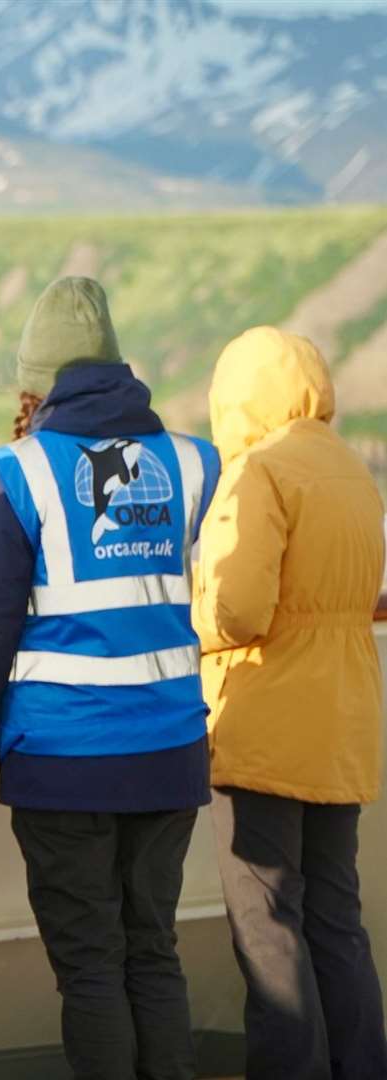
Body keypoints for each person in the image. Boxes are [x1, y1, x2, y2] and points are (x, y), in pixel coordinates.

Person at [0, 277, 221, 1080]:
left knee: (91, 965)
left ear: (33, 380)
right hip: (169, 750)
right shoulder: (192, 464)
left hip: (65, 762)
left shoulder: (19, 472)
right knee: (152, 953)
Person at [192, 327, 387, 1080]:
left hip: (265, 726)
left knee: (267, 926)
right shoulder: (350, 469)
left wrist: (186, 620)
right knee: (337, 918)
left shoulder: (258, 472)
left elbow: (239, 608)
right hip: (343, 720)